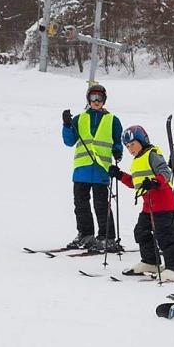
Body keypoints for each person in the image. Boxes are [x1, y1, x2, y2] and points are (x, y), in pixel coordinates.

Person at [110, 125, 174, 281]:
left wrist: (155, 182)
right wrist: (119, 175)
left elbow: (165, 172)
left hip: (163, 204)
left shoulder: (152, 155)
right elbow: (135, 183)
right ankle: (151, 262)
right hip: (149, 206)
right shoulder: (137, 160)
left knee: (164, 235)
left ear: (142, 140)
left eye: (133, 144)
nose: (130, 148)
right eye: (127, 146)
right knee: (141, 231)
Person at [61, 83, 124, 252]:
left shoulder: (113, 120)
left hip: (101, 169)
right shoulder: (79, 119)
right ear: (88, 99)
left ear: (104, 100)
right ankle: (85, 234)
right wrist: (67, 125)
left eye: (100, 98)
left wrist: (118, 152)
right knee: (80, 204)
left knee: (101, 205)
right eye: (93, 98)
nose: (96, 101)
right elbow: (69, 142)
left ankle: (107, 237)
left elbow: (118, 141)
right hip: (82, 169)